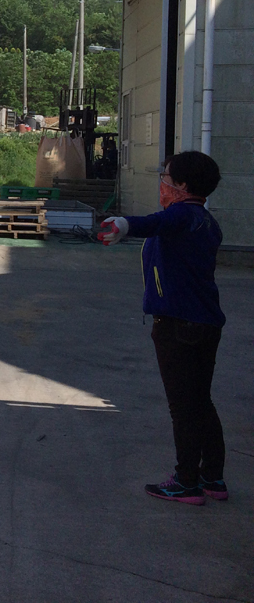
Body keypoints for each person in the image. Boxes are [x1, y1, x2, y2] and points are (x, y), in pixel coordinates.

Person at [99, 151, 227, 505]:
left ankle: (187, 482)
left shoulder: (183, 216)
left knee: (183, 409)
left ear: (182, 186)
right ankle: (213, 477)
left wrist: (124, 225)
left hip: (178, 327)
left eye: (166, 177)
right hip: (205, 323)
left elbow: (156, 223)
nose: (162, 182)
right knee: (200, 402)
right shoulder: (205, 221)